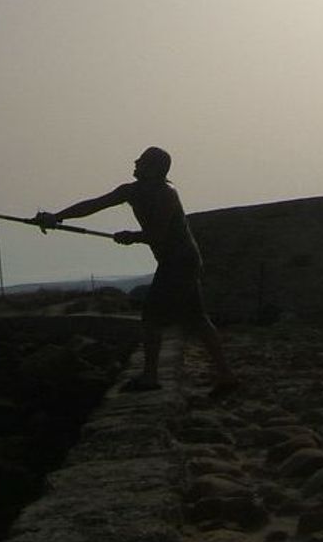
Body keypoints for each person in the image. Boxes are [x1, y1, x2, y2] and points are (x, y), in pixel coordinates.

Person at [32, 147, 238, 395]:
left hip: (180, 261)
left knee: (153, 319)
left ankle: (150, 378)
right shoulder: (130, 191)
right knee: (196, 318)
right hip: (175, 261)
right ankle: (226, 376)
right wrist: (57, 217)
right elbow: (94, 205)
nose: (136, 161)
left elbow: (158, 233)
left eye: (142, 160)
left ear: (154, 168)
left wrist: (132, 236)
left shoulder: (166, 194)